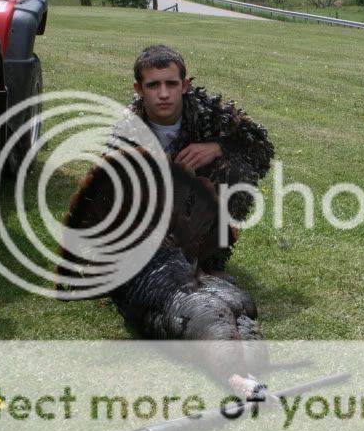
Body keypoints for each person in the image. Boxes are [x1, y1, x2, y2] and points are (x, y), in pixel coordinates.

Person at [112, 44, 274, 270]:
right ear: (138, 89)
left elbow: (261, 149)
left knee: (236, 171)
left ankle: (208, 261)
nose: (164, 94)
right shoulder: (127, 129)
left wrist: (219, 147)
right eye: (153, 85)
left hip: (196, 202)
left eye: (171, 83)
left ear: (185, 85)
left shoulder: (212, 113)